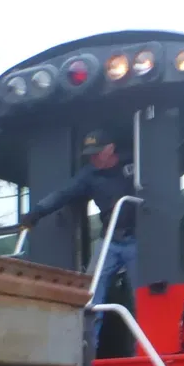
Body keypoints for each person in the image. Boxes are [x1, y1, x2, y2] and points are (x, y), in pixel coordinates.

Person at [19, 129, 138, 347]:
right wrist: (36, 212)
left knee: (142, 295)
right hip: (110, 240)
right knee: (90, 294)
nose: (93, 158)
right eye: (90, 154)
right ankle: (86, 351)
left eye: (97, 153)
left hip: (140, 240)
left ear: (111, 149)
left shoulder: (136, 159)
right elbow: (63, 193)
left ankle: (145, 349)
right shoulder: (89, 174)